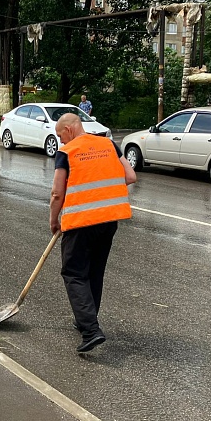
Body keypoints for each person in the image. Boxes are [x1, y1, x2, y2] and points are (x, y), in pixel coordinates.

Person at [49, 113, 136, 353]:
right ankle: (85, 318)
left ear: (69, 129)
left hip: (80, 222)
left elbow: (57, 193)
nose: (61, 142)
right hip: (108, 221)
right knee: (94, 271)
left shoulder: (68, 152)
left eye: (60, 136)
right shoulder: (108, 144)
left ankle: (90, 330)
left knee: (74, 273)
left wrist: (54, 220)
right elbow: (130, 176)